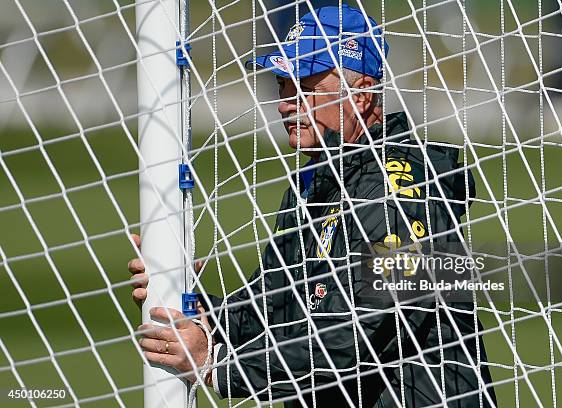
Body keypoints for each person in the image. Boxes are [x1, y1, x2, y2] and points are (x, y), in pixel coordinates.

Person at [130, 5, 498, 406]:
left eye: (305, 86)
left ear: (362, 94)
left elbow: (365, 332)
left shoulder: (405, 190)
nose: (286, 104)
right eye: (283, 85)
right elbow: (273, 306)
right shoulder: (314, 184)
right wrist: (194, 305)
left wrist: (218, 367)